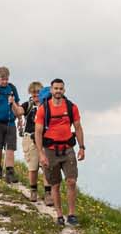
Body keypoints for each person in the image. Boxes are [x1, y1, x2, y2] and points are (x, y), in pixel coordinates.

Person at [36, 77, 86, 225]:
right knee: (55, 184)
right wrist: (41, 153)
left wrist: (82, 147)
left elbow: (77, 127)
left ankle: (71, 214)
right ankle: (59, 215)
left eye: (60, 88)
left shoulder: (72, 107)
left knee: (71, 181)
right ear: (51, 90)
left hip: (68, 149)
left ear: (64, 90)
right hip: (50, 150)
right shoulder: (43, 109)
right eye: (55, 88)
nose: (58, 91)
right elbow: (38, 132)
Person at [20, 81, 44, 201]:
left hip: (45, 138)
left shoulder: (47, 106)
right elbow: (19, 112)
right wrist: (13, 103)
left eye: (37, 93)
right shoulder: (28, 105)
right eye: (33, 94)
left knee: (46, 166)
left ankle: (48, 193)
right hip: (30, 137)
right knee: (33, 166)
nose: (35, 96)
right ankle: (33, 191)